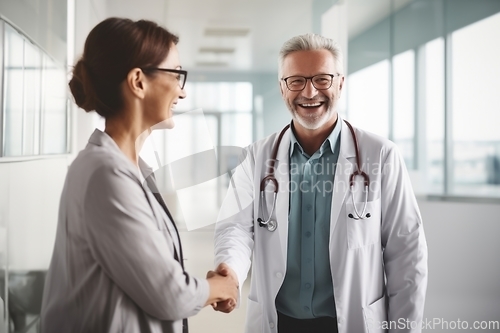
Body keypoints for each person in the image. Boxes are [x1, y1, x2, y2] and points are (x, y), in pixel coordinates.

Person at [212, 33, 428, 333]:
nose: (310, 92)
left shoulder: (381, 155)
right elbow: (235, 228)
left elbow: (406, 253)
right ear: (282, 88)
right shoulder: (256, 157)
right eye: (296, 80)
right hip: (278, 321)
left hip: (351, 322)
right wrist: (230, 270)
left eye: (322, 79)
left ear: (340, 83)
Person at [40, 17, 237, 333]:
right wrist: (219, 288)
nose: (182, 93)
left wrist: (205, 287)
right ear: (138, 81)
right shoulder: (104, 175)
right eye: (176, 76)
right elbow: (168, 294)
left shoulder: (131, 170)